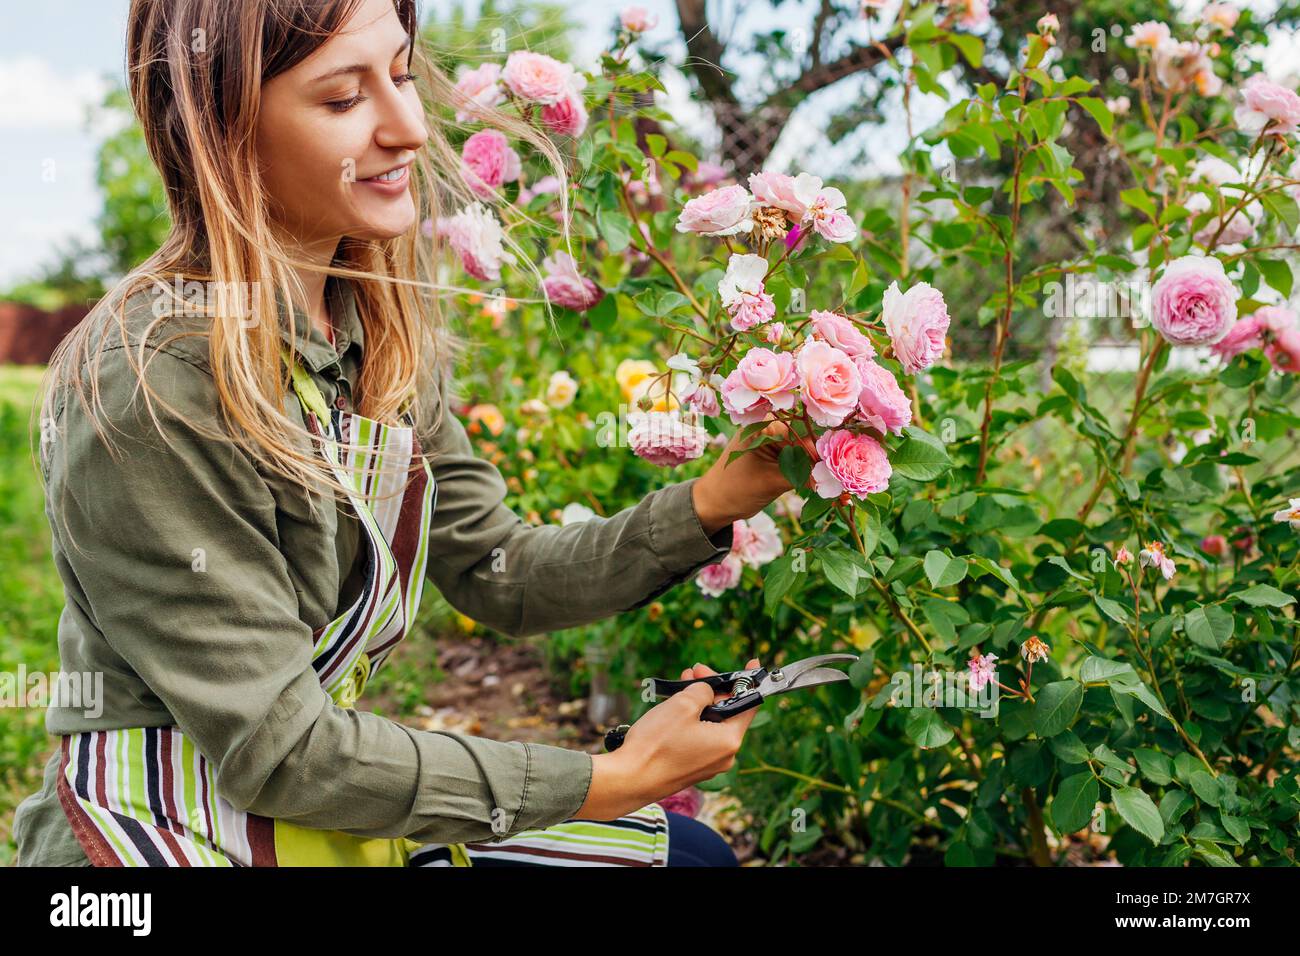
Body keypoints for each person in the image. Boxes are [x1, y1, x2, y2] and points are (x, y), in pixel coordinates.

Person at [11, 0, 792, 867]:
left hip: (310, 808)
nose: (411, 127)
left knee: (687, 857)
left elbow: (498, 570)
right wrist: (610, 778)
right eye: (345, 99)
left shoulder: (366, 330)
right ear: (224, 133)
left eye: (403, 73)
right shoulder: (153, 376)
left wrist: (718, 497)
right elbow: (280, 749)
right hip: (161, 829)